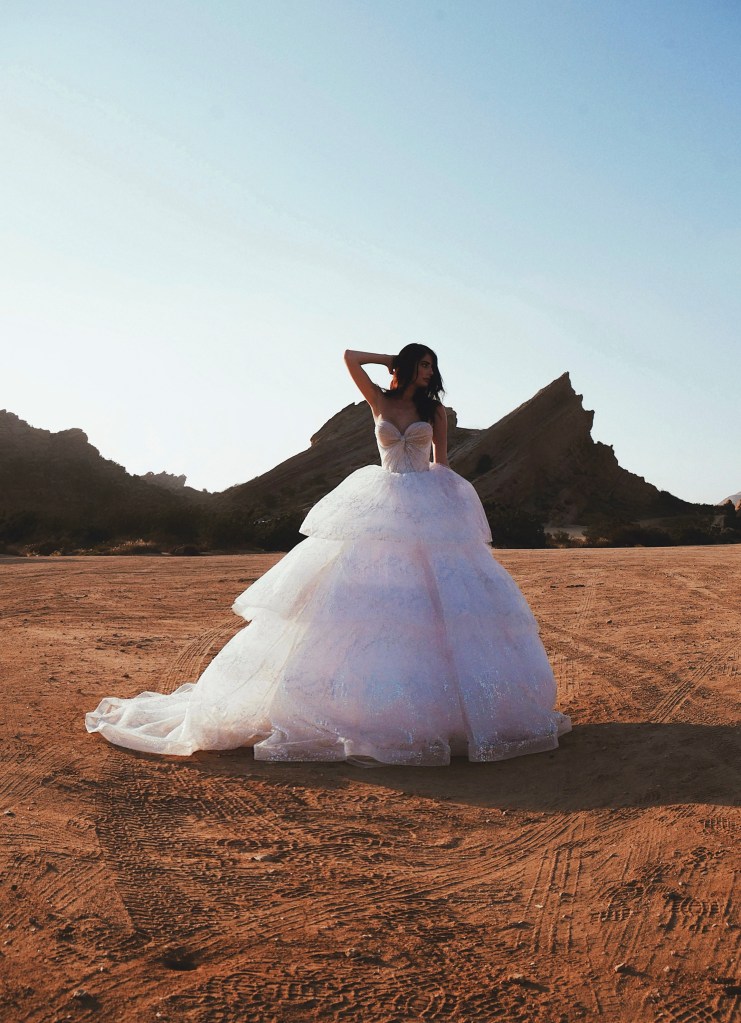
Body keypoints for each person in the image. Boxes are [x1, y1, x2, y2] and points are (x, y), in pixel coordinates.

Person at [86, 345, 571, 765]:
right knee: (357, 604)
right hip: (379, 503)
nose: (427, 373)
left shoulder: (436, 413)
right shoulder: (378, 399)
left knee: (432, 607)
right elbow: (349, 358)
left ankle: (442, 716)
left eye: (431, 366)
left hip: (425, 504)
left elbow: (443, 467)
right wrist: (392, 362)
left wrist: (449, 518)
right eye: (421, 365)